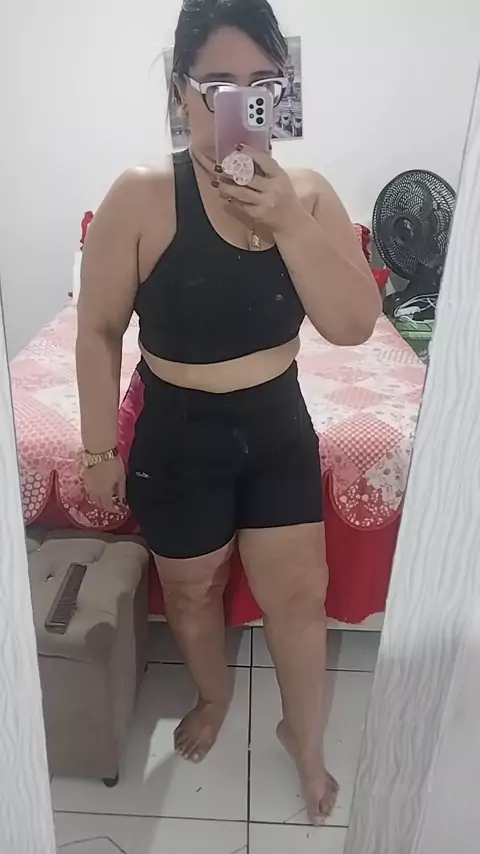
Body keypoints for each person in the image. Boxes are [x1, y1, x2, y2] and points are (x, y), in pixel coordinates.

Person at [76, 0, 381, 825]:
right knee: (190, 593)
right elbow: (98, 328)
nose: (242, 106)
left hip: (276, 425)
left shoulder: (307, 196)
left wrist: (285, 220)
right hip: (178, 434)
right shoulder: (143, 195)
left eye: (262, 85)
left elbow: (354, 325)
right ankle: (212, 698)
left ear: (281, 93)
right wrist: (98, 450)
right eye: (219, 86)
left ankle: (303, 740)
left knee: (300, 597)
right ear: (182, 92)